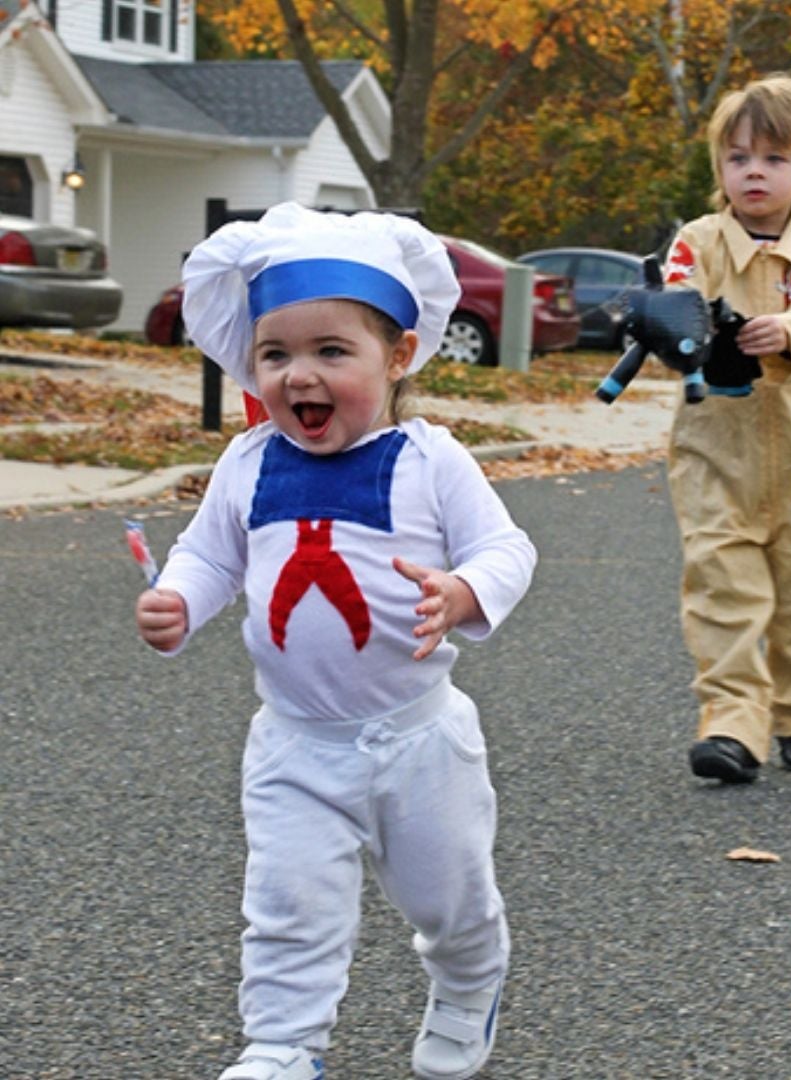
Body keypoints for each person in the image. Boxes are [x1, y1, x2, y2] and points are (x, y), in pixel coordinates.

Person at [134, 202, 537, 1080]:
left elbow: (509, 548)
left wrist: (464, 589)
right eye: (275, 354)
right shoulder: (247, 462)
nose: (298, 376)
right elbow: (211, 553)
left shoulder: (431, 460)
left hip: (419, 739)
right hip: (294, 742)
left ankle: (469, 982)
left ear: (397, 358)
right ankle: (283, 1045)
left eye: (331, 352)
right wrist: (176, 599)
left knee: (448, 896)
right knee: (288, 902)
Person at [663, 75, 791, 785]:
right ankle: (733, 724)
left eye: (772, 158)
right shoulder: (698, 241)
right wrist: (674, 320)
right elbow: (678, 293)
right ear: (720, 169)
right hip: (715, 452)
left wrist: (788, 328)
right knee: (723, 585)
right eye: (737, 157)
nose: (753, 171)